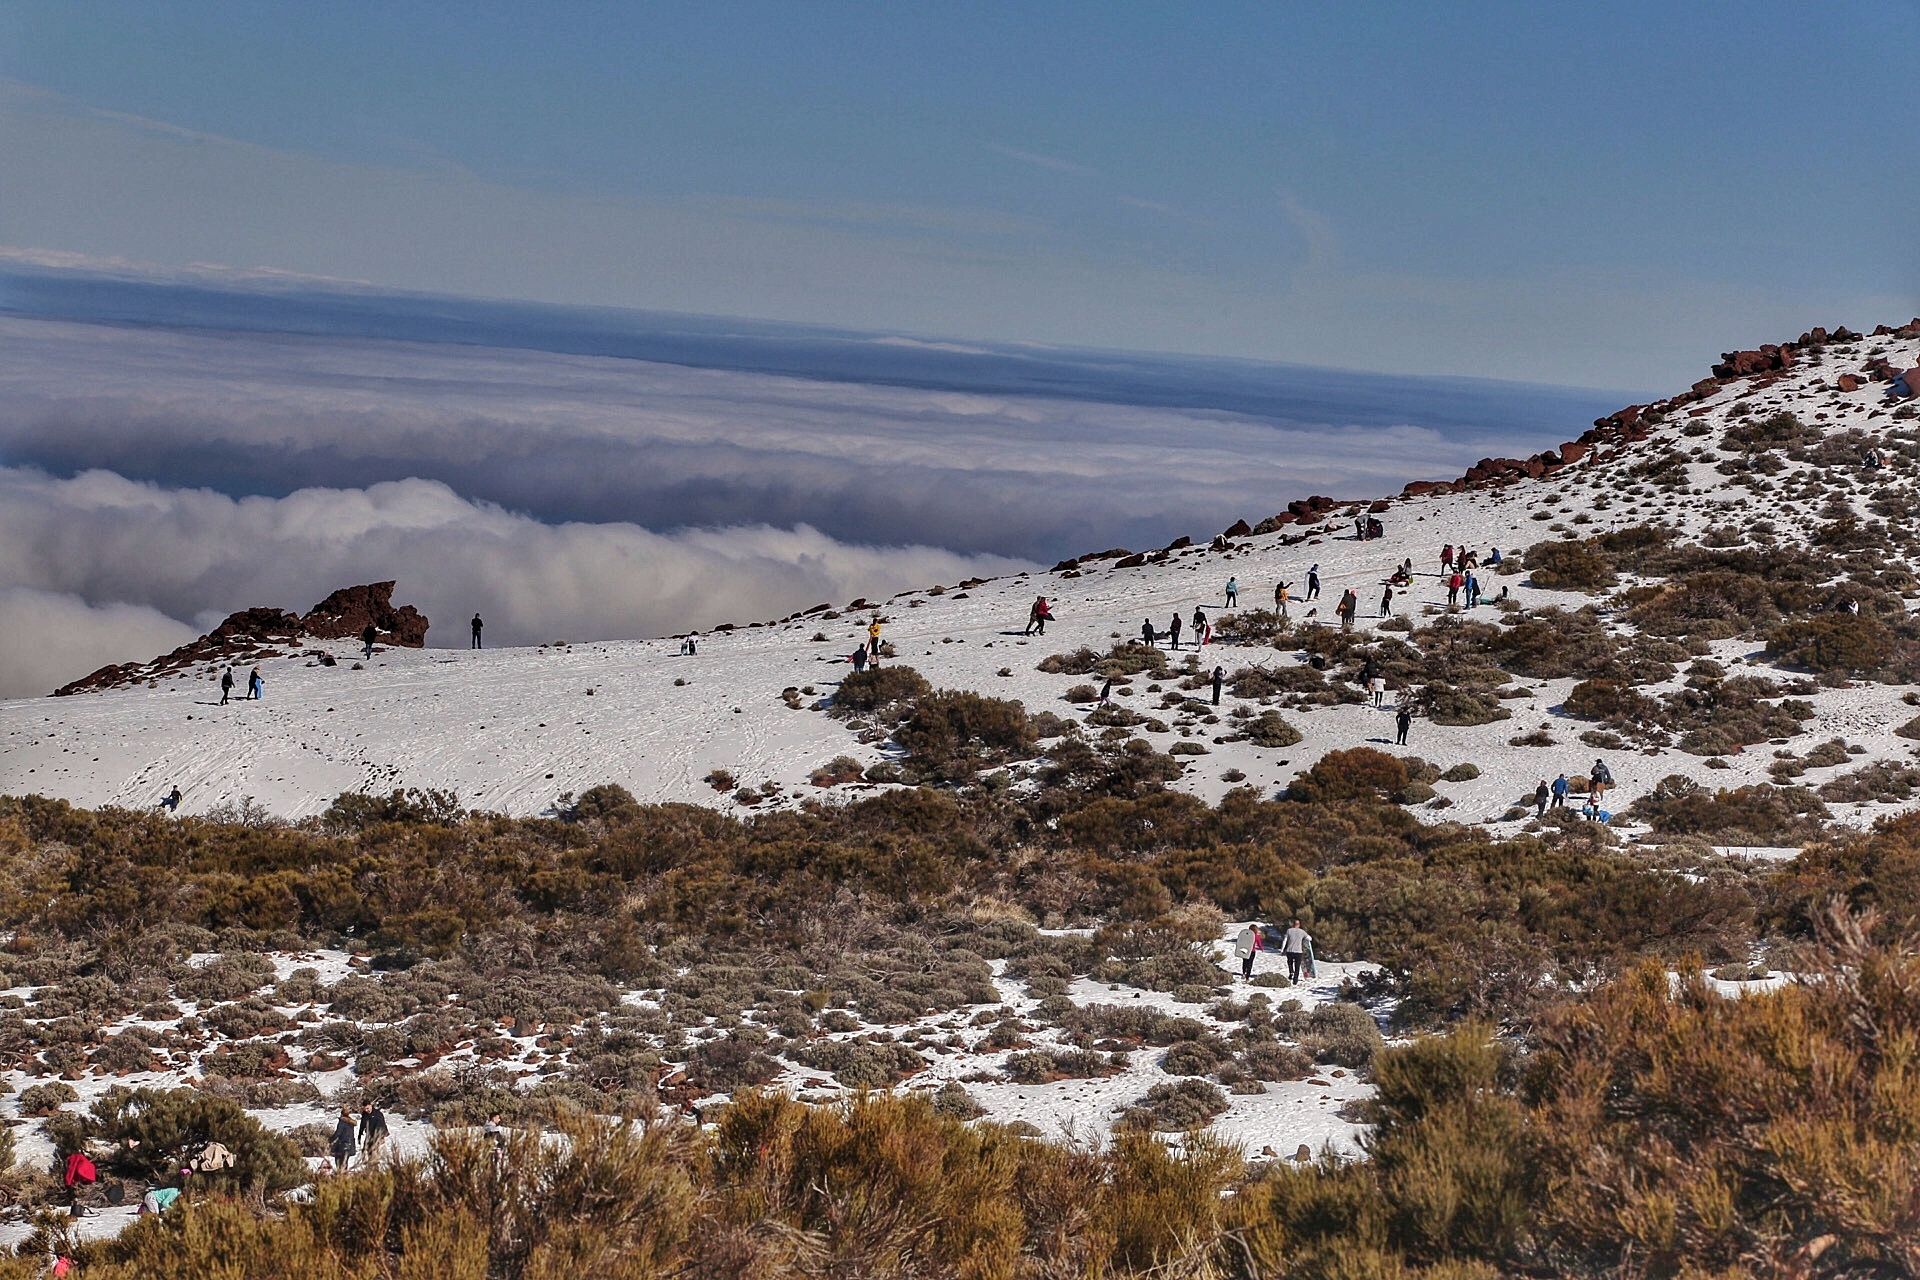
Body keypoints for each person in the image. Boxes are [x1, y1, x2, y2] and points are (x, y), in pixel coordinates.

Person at [1280, 919, 1313, 985]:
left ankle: (1291, 972)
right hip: (1298, 951)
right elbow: (1310, 938)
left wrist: (1282, 949)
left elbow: (1285, 940)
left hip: (1290, 950)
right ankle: (1295, 980)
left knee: (1290, 963)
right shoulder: (1302, 932)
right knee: (1297, 966)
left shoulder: (1289, 930)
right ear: (1299, 925)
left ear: (1293, 924)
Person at [330, 1106, 357, 1171]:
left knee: (339, 1163)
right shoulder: (351, 1122)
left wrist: (330, 1140)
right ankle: (344, 1177)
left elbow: (338, 1133)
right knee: (345, 1163)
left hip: (343, 1145)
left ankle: (341, 1177)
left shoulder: (342, 1122)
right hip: (350, 1145)